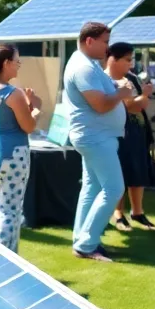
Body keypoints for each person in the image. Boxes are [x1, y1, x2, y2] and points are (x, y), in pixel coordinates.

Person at [62, 21, 133, 262]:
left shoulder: (88, 65)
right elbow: (100, 104)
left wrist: (115, 87)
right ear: (89, 41)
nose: (108, 47)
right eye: (104, 42)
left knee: (92, 188)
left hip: (96, 136)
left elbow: (102, 95)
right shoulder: (83, 68)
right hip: (95, 137)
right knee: (114, 188)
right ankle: (86, 244)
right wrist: (122, 93)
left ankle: (82, 240)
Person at [0, 44, 40, 251]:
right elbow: (28, 126)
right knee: (10, 210)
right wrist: (36, 109)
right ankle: (5, 257)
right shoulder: (11, 94)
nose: (19, 66)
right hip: (14, 156)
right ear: (6, 63)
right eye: (17, 62)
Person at [105, 42, 155, 232]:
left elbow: (138, 106)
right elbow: (130, 106)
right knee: (121, 172)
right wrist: (144, 96)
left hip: (138, 130)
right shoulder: (106, 80)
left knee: (139, 170)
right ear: (114, 59)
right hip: (120, 131)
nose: (130, 64)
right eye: (127, 60)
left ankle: (138, 211)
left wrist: (142, 97)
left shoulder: (131, 78)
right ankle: (118, 213)